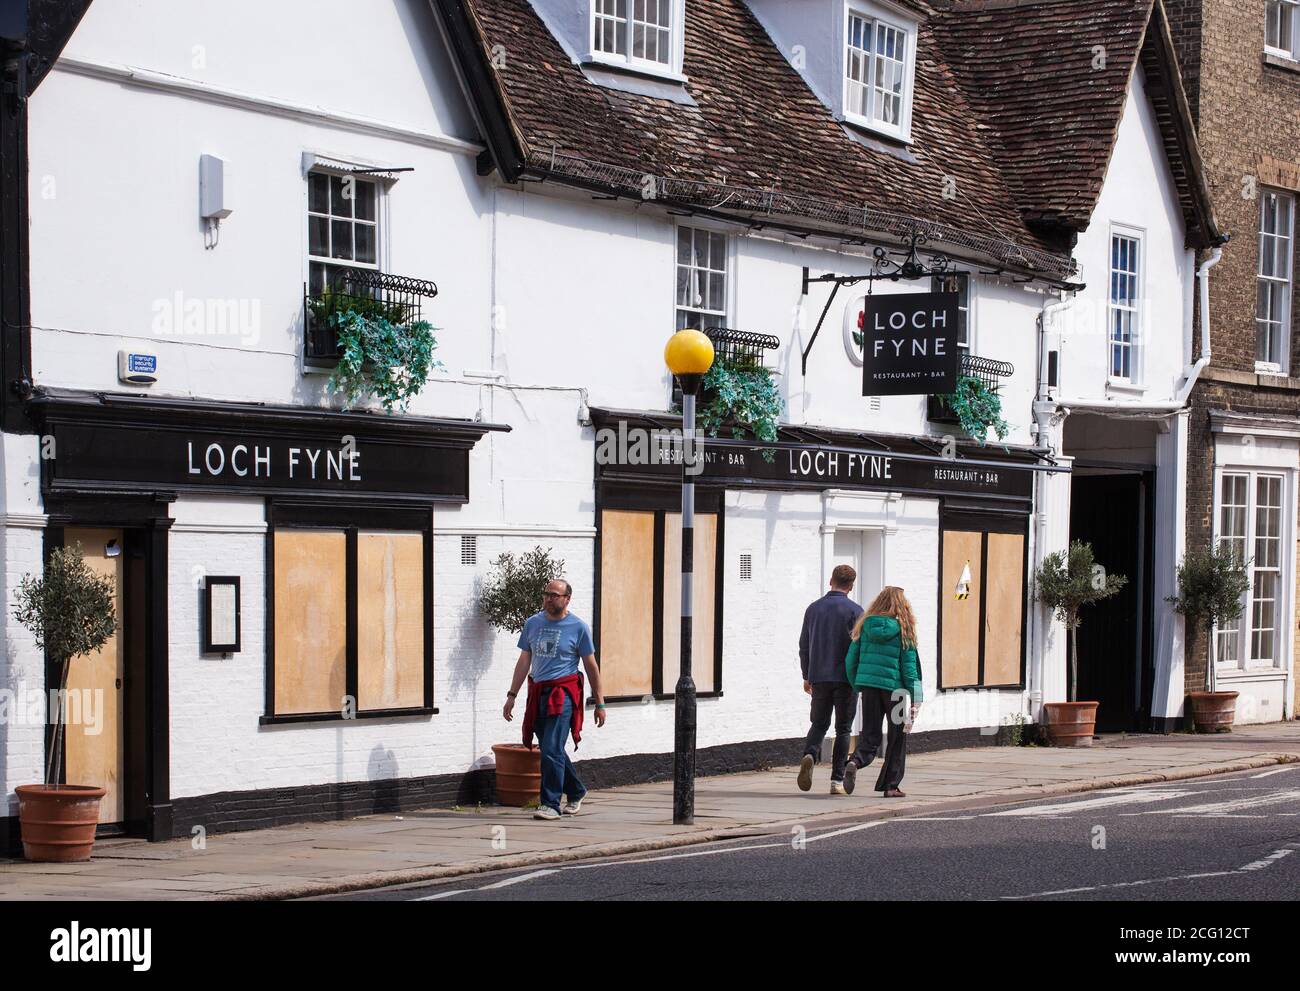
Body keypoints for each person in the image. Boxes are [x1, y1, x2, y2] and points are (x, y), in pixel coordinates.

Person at [503, 579, 606, 820]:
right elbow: (524, 661)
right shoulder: (533, 623)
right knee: (552, 748)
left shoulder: (578, 627)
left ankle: (550, 804)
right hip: (538, 692)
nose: (549, 598)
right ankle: (576, 790)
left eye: (555, 595)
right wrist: (512, 695)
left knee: (550, 748)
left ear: (567, 598)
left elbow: (591, 666)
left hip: (563, 694)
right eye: (547, 594)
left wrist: (599, 702)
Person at [843, 586, 923, 797]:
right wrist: (917, 698)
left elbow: (851, 660)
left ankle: (855, 761)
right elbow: (910, 669)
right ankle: (890, 786)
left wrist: (857, 684)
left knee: (869, 734)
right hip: (896, 692)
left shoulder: (865, 626)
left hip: (870, 689)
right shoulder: (904, 629)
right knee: (898, 738)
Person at [796, 565, 865, 795]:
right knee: (843, 729)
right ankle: (836, 781)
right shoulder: (856, 611)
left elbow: (804, 646)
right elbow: (859, 648)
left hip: (819, 676)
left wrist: (807, 675)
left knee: (819, 723)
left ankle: (809, 754)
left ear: (830, 581)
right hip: (846, 679)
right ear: (851, 586)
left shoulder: (813, 609)